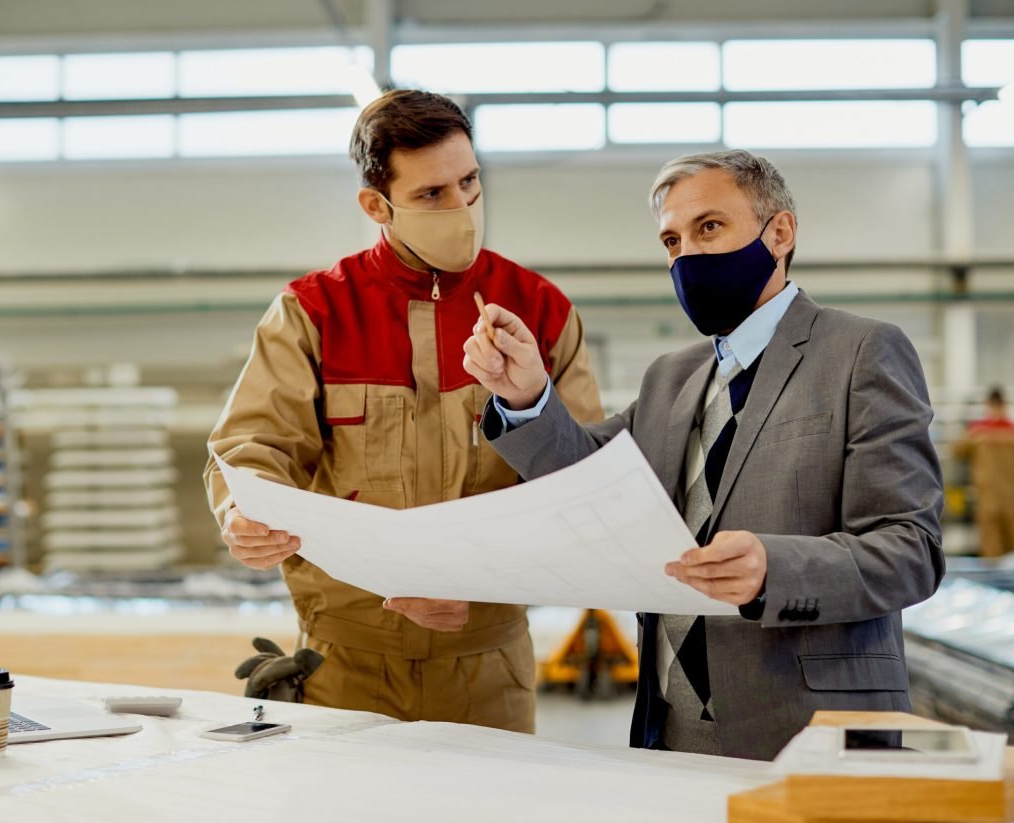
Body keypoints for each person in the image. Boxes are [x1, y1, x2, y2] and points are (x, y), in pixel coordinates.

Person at [462, 150, 945, 759]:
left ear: (780, 233)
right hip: (672, 726)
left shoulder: (862, 353)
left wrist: (775, 569)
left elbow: (911, 550)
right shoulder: (670, 377)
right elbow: (590, 474)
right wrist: (528, 394)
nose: (687, 255)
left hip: (810, 726)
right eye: (672, 241)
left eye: (709, 227)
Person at [205, 89, 602, 733]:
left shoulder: (540, 309)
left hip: (488, 667)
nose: (461, 208)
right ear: (376, 205)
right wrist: (243, 511)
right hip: (343, 666)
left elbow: (581, 484)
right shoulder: (314, 312)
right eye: (432, 194)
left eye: (469, 182)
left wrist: (479, 579)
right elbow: (252, 445)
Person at [955, 387, 1014, 558]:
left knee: (991, 546)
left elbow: (958, 452)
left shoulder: (976, 432)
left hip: (987, 495)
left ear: (988, 405)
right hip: (1013, 495)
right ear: (1005, 404)